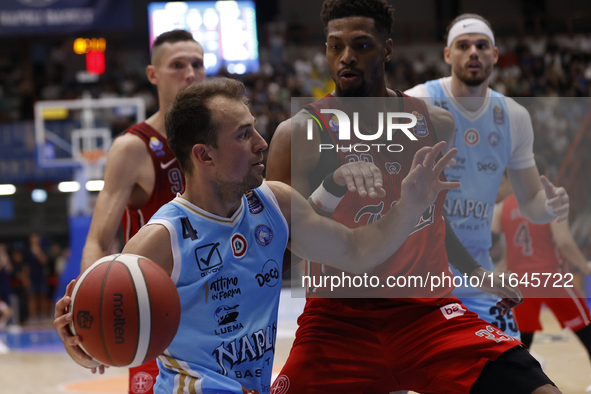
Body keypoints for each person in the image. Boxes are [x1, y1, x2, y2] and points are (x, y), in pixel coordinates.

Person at [55, 77, 460, 394]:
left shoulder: (275, 204)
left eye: (256, 131)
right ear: (204, 155)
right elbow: (100, 336)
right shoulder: (159, 241)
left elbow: (356, 250)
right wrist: (80, 338)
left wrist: (409, 204)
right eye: (244, 135)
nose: (262, 144)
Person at [266, 0, 561, 392]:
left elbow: (433, 218)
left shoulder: (437, 124)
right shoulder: (298, 134)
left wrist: (475, 273)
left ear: (387, 49)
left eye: (362, 45)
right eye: (335, 46)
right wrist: (332, 187)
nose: (346, 57)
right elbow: (283, 248)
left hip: (427, 315)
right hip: (337, 322)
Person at [405, 13, 569, 340]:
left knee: (513, 372)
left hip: (479, 277)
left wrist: (549, 207)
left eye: (482, 45)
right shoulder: (417, 102)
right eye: (463, 46)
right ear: (448, 55)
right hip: (418, 275)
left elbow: (531, 203)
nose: (473, 52)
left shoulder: (515, 116)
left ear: (495, 55)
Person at [74, 29, 206, 394]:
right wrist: (90, 310)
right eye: (177, 65)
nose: (190, 74)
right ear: (153, 75)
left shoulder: (218, 141)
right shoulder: (133, 147)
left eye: (197, 64)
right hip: (152, 317)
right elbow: (98, 241)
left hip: (212, 312)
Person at [492, 155, 591, 385]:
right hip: (550, 277)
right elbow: (564, 242)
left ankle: (520, 386)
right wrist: (584, 266)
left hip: (520, 284)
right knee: (586, 330)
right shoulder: (553, 197)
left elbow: (507, 248)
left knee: (523, 343)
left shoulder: (502, 208)